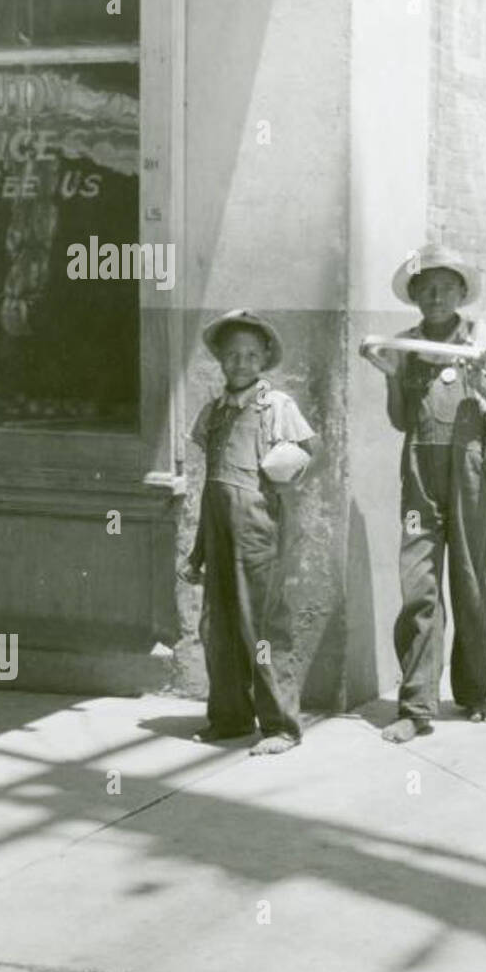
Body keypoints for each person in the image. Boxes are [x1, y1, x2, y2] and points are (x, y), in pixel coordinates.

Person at [360, 244, 486, 743]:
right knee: (419, 586)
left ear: (460, 292)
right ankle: (416, 705)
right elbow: (401, 421)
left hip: (470, 470)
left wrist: (481, 382)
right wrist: (391, 377)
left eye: (445, 287)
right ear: (413, 295)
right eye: (425, 287)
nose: (434, 296)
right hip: (420, 475)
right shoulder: (405, 345)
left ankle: (474, 694)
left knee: (471, 581)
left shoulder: (484, 340)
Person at [181, 310, 319, 754]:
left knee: (260, 627)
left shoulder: (276, 406)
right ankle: (230, 718)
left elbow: (311, 451)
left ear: (263, 360)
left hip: (256, 532)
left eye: (251, 356)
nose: (241, 363)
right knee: (217, 625)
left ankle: (280, 726)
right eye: (233, 355)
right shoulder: (214, 410)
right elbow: (211, 483)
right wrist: (199, 550)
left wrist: (290, 466)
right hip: (218, 530)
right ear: (221, 359)